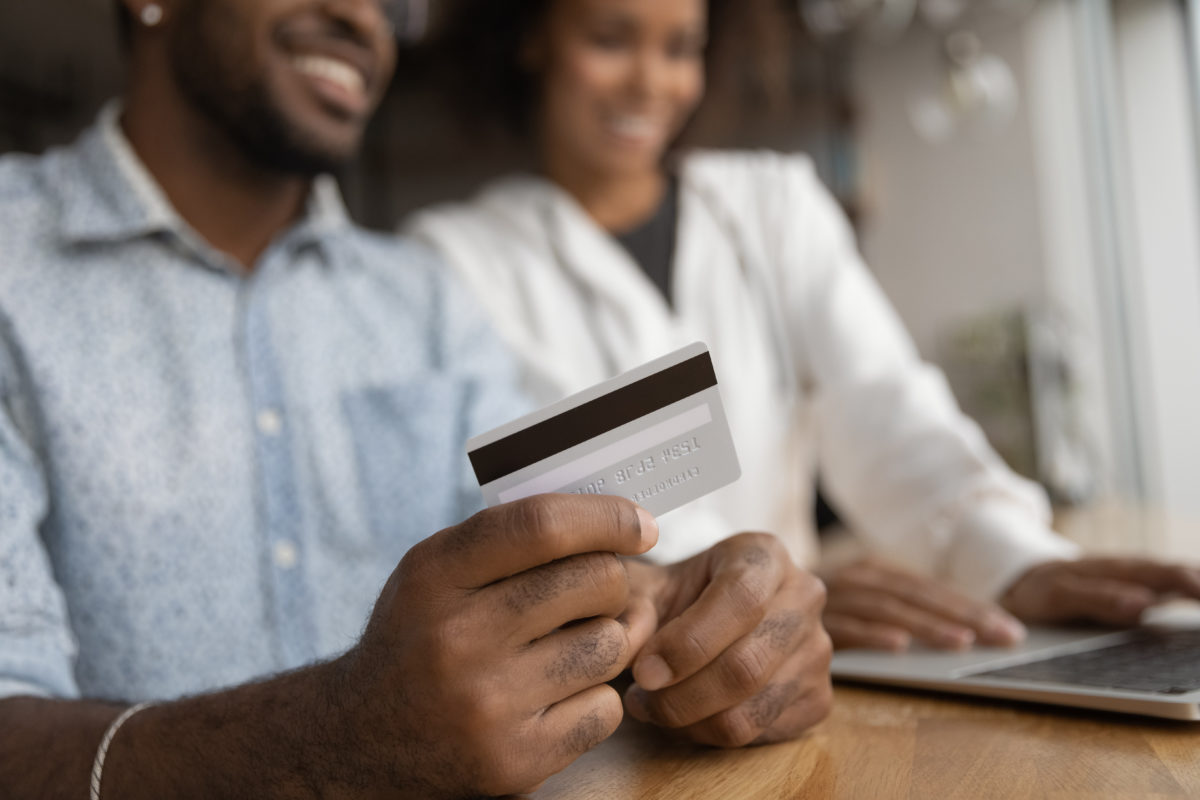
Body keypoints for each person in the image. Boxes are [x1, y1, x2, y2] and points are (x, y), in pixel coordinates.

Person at [0, 1, 834, 797]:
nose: (364, 18)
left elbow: (539, 579)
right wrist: (338, 739)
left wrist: (698, 624)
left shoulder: (424, 301)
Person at [405, 0, 1200, 654]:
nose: (652, 82)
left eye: (681, 47)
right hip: (627, 689)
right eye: (611, 39)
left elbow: (886, 407)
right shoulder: (455, 262)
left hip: (822, 668)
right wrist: (760, 594)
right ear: (532, 38)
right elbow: (565, 504)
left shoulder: (775, 205)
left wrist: (1009, 559)